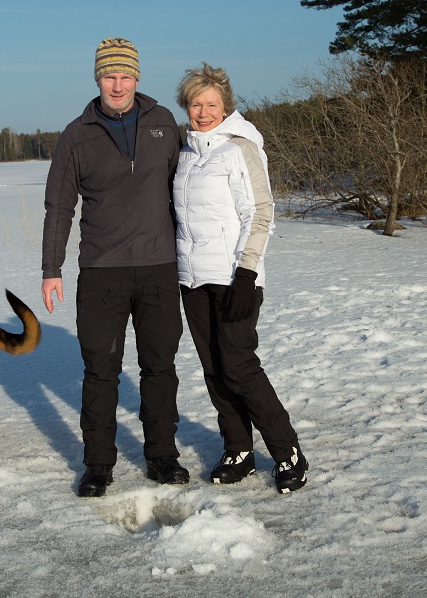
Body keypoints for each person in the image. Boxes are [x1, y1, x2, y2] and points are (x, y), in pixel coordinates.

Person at [41, 37, 190, 497]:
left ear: (137, 78)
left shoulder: (164, 123)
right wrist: (52, 268)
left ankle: (162, 456)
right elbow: (59, 205)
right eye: (110, 75)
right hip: (102, 272)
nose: (118, 84)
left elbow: (189, 186)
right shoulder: (76, 135)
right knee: (101, 372)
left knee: (159, 367)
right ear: (97, 79)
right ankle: (98, 465)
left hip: (158, 267)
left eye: (125, 75)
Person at [172, 62, 309, 494]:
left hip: (234, 277)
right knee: (214, 369)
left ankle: (287, 452)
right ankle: (238, 450)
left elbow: (261, 212)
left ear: (226, 106)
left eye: (211, 104)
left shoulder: (240, 148)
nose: (203, 111)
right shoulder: (187, 151)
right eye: (196, 104)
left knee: (240, 367)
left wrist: (247, 273)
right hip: (192, 278)